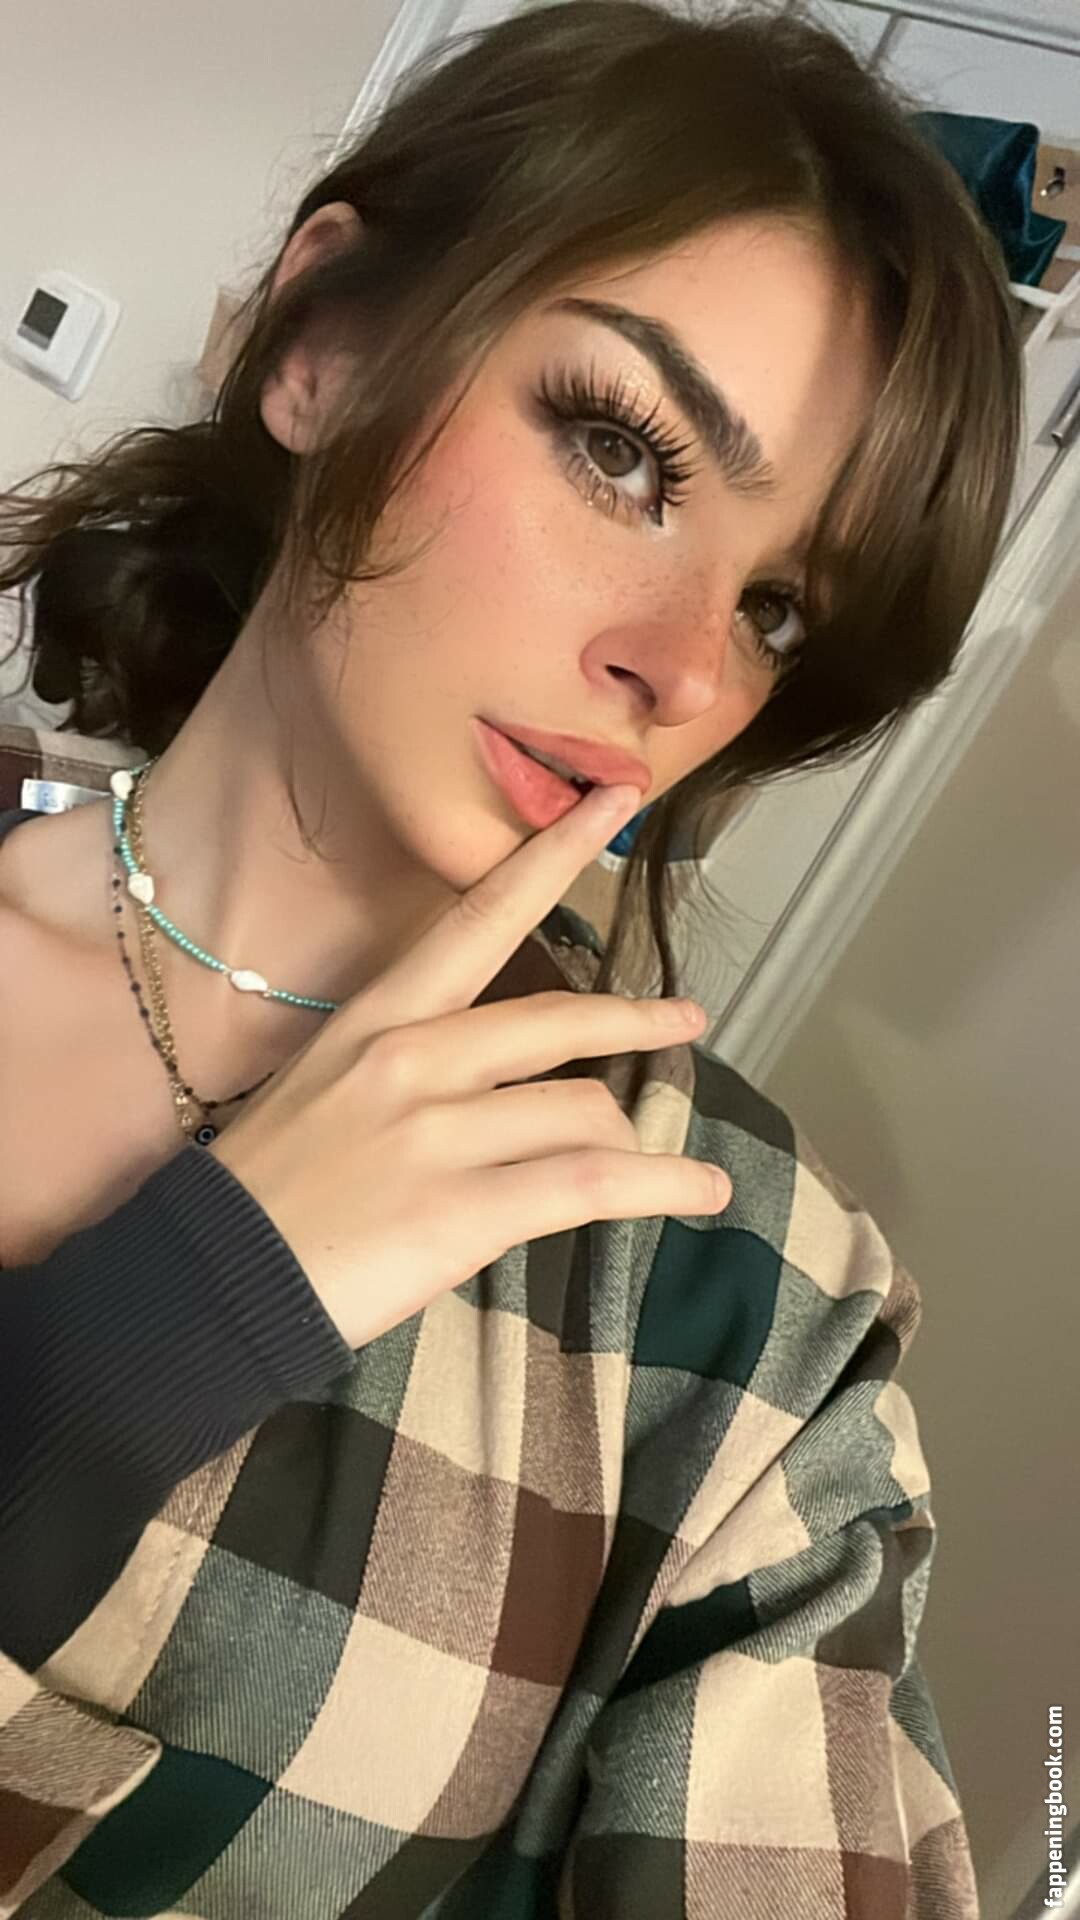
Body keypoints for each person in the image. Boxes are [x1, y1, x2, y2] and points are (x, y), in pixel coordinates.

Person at [0, 2, 1020, 1913]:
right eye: (625, 453)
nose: (684, 665)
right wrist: (100, 1381)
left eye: (781, 610)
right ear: (322, 344)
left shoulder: (729, 1295)